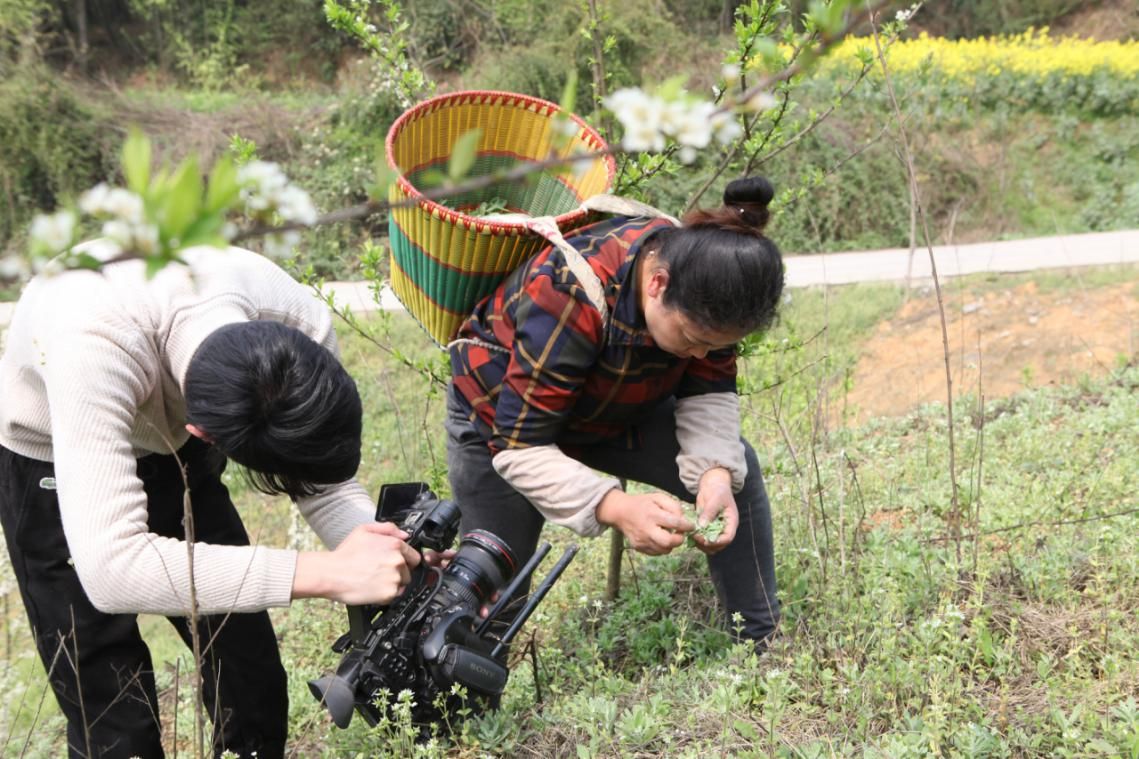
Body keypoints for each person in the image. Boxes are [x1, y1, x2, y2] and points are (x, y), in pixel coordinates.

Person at [0, 242, 421, 758]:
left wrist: (394, 553)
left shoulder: (295, 319)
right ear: (203, 435)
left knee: (250, 675)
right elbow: (113, 572)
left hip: (172, 419)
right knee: (112, 715)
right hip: (51, 451)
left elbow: (320, 478)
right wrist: (329, 573)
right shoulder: (92, 344)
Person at [445, 176, 784, 649]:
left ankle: (761, 643)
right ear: (657, 283)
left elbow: (708, 389)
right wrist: (617, 507)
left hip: (610, 409)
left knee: (734, 474)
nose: (701, 356)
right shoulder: (565, 291)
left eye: (716, 346)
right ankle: (460, 682)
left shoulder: (711, 290)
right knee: (494, 573)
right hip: (505, 422)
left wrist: (714, 476)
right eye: (692, 340)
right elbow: (520, 446)